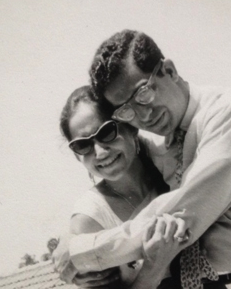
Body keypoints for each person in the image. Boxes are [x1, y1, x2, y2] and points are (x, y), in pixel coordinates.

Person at [55, 30, 231, 288]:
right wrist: (72, 238)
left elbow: (185, 209)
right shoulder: (160, 142)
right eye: (126, 110)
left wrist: (81, 252)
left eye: (143, 94)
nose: (143, 116)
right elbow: (118, 157)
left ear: (169, 71)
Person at [59, 85, 193, 288]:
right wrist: (154, 266)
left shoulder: (170, 165)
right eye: (82, 145)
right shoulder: (90, 218)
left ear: (130, 125)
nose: (100, 152)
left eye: (106, 132)